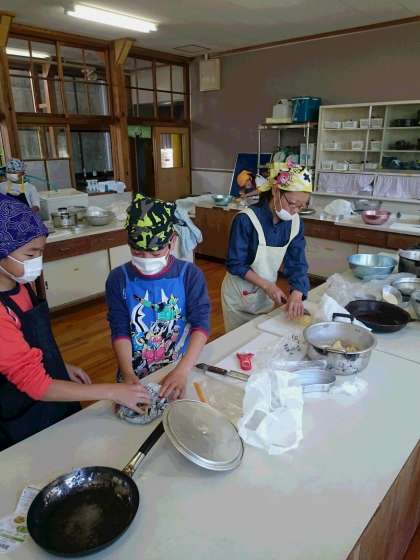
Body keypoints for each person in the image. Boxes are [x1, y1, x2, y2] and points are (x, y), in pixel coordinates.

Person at [0, 194, 150, 451]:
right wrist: (112, 391)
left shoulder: (19, 285)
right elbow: (35, 384)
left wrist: (58, 365)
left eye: (40, 253)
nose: (37, 261)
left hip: (54, 395)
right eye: (31, 253)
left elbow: (29, 346)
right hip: (23, 418)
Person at [106, 194, 210, 400]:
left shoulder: (190, 275)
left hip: (179, 365)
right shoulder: (118, 278)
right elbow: (120, 329)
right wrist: (128, 374)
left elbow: (201, 325)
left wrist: (182, 370)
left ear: (172, 241)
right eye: (138, 253)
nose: (146, 260)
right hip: (135, 371)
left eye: (155, 254)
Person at [221, 162, 312, 332]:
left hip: (264, 296)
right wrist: (267, 286)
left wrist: (297, 292)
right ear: (276, 191)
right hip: (239, 297)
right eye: (292, 203)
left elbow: (297, 262)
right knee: (238, 342)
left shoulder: (295, 223)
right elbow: (236, 264)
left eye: (302, 206)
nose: (295, 210)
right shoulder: (246, 220)